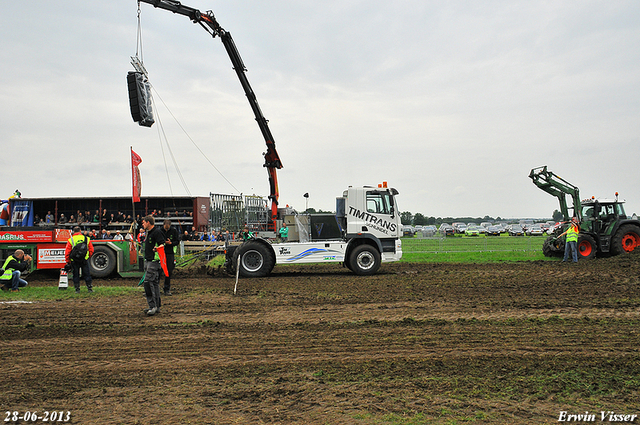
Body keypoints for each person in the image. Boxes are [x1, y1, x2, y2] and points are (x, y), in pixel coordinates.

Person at [141, 215, 166, 316]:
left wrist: (157, 249)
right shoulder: (149, 232)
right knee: (154, 283)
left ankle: (152, 306)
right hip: (149, 261)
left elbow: (162, 244)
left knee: (147, 282)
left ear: (148, 222)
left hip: (153, 261)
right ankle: (157, 306)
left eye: (143, 222)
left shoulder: (156, 232)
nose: (142, 224)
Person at [65, 226, 94, 293]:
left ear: (73, 232)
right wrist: (87, 257)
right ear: (80, 231)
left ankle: (77, 289)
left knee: (76, 275)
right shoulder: (86, 238)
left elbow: (67, 252)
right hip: (84, 259)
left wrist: (68, 261)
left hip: (74, 260)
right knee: (87, 274)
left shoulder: (71, 240)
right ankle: (89, 288)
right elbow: (91, 250)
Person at [160, 219, 179, 296]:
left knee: (168, 272)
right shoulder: (160, 231)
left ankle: (166, 289)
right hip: (161, 253)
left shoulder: (174, 231)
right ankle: (155, 289)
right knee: (158, 271)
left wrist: (171, 243)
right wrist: (164, 242)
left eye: (168, 228)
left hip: (170, 253)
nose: (166, 229)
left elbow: (177, 241)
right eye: (165, 228)